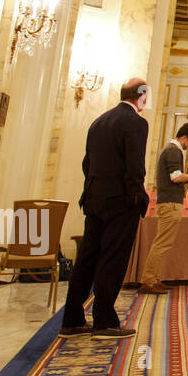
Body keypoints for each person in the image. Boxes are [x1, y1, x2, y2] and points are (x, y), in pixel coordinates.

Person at [59, 77, 151, 339]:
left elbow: (87, 163)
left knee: (86, 260)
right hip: (121, 201)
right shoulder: (136, 122)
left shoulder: (99, 121)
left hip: (94, 199)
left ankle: (72, 320)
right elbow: (135, 165)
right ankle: (104, 321)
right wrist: (137, 197)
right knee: (112, 259)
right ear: (141, 95)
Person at [138, 123, 188, 295]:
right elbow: (175, 178)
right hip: (170, 203)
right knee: (162, 242)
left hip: (168, 201)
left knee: (163, 242)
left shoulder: (171, 150)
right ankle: (149, 280)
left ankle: (155, 279)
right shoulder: (173, 151)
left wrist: (187, 173)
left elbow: (175, 176)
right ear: (184, 137)